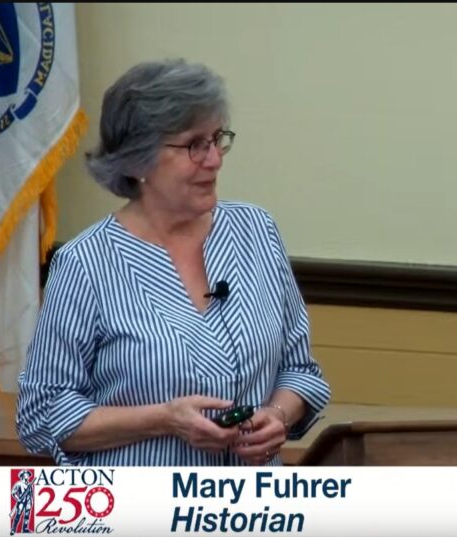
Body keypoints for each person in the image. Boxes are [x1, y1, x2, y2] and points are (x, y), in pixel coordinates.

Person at [16, 59, 330, 467]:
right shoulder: (86, 263)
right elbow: (40, 415)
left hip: (251, 510)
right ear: (136, 160)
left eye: (218, 139)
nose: (215, 159)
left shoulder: (256, 231)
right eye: (194, 145)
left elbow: (301, 371)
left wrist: (277, 415)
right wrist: (163, 420)